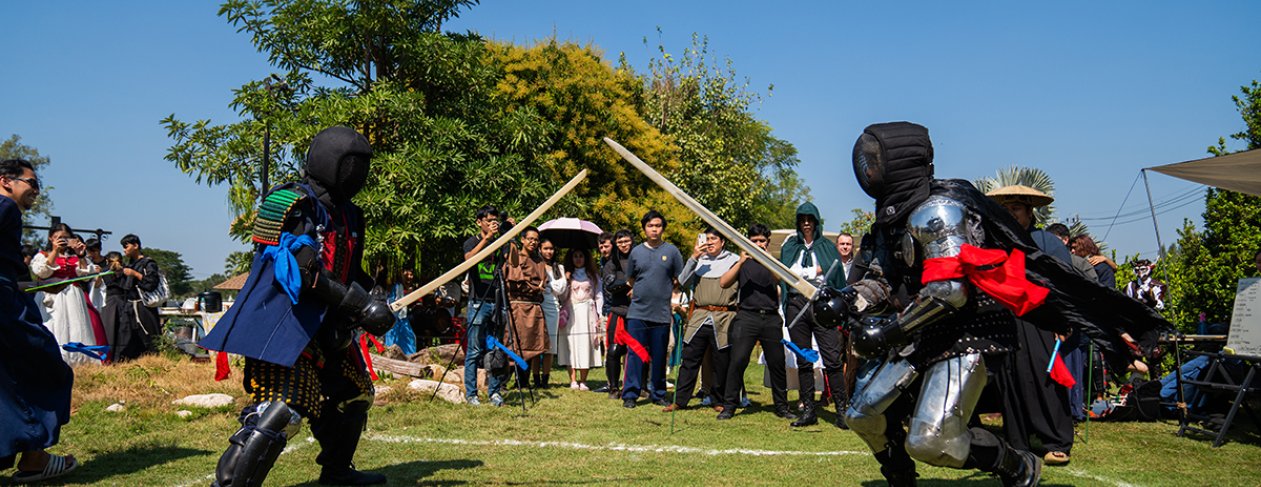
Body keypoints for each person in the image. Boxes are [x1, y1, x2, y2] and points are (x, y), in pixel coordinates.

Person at [200, 126, 395, 486]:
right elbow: (303, 268)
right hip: (287, 324)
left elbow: (353, 271)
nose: (357, 174)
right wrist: (360, 305)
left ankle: (336, 472)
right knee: (281, 413)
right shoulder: (288, 202)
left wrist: (376, 297)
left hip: (331, 327)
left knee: (355, 396)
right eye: (351, 164)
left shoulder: (352, 214)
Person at [987, 186, 1078, 466]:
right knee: (1010, 378)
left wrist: (1063, 320)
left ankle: (1056, 441)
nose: (1010, 214)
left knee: (1044, 376)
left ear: (1029, 212)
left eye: (1016, 209)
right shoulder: (996, 241)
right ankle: (1018, 440)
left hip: (1040, 319)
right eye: (1006, 209)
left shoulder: (1047, 242)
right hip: (1006, 318)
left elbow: (1064, 283)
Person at [0, 158, 78, 482]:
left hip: (9, 293)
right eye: (32, 183)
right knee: (48, 367)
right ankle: (35, 457)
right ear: (6, 180)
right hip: (4, 308)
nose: (36, 190)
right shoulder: (5, 208)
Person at [779, 202, 848, 427]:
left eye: (810, 219)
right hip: (797, 305)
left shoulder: (827, 247)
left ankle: (842, 410)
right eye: (802, 219)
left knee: (832, 359)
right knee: (804, 359)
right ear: (798, 223)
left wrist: (812, 271)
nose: (806, 223)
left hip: (821, 305)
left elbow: (834, 269)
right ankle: (808, 410)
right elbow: (786, 273)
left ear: (816, 222)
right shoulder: (790, 248)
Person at [718, 224, 796, 420]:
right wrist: (741, 261)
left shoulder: (773, 261)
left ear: (768, 243)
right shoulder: (742, 262)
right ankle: (729, 406)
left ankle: (782, 406)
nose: (758, 244)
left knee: (777, 363)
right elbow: (723, 282)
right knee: (738, 360)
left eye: (762, 241)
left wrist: (767, 258)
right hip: (747, 316)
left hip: (770, 317)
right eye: (754, 242)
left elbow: (780, 278)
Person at [664, 228, 738, 413]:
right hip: (699, 316)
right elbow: (681, 281)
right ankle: (680, 400)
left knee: (721, 361)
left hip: (724, 317)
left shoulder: (735, 261)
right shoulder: (699, 260)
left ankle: (717, 399)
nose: (710, 242)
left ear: (723, 242)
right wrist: (694, 257)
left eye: (714, 239)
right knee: (689, 360)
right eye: (708, 239)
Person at [622, 211, 684, 408]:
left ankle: (658, 393)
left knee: (659, 355)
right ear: (644, 229)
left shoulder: (672, 252)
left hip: (662, 314)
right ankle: (630, 394)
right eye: (650, 226)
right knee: (635, 353)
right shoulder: (636, 252)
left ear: (663, 228)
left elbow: (678, 280)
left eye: (658, 225)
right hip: (637, 313)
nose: (654, 229)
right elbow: (630, 280)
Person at [29, 224, 105, 367]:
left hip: (72, 296)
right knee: (51, 325)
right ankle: (50, 361)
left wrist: (81, 254)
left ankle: (80, 361)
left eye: (66, 238)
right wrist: (55, 251)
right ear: (51, 238)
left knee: (77, 326)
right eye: (58, 237)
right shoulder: (42, 255)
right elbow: (42, 272)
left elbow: (86, 277)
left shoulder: (75, 257)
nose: (62, 240)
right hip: (51, 296)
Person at [461, 206, 508, 406]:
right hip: (477, 301)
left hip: (497, 302)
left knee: (496, 349)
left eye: (495, 220)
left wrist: (509, 236)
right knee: (474, 350)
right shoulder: (472, 242)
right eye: (489, 220)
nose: (492, 223)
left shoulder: (501, 242)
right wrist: (487, 238)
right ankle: (471, 394)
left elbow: (512, 262)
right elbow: (469, 260)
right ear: (479, 222)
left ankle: (495, 392)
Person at [505, 226, 550, 390]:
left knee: (531, 346)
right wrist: (534, 287)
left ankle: (523, 381)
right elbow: (514, 279)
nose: (533, 242)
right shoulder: (516, 257)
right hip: (518, 306)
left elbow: (543, 281)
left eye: (536, 239)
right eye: (530, 238)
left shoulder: (539, 261)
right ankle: (505, 380)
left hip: (535, 307)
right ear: (522, 240)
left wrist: (538, 288)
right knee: (515, 345)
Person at [558, 248, 603, 389]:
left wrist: (600, 315)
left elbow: (599, 296)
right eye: (575, 256)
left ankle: (583, 380)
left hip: (588, 313)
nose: (578, 259)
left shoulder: (593, 276)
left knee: (586, 344)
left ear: (586, 258)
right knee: (570, 344)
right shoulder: (566, 274)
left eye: (581, 256)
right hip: (571, 311)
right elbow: (561, 295)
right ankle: (572, 380)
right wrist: (565, 280)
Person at [599, 230, 634, 398]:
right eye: (620, 242)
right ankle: (613, 388)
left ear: (632, 241)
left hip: (638, 312)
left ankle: (640, 387)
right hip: (618, 311)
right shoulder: (611, 263)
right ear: (616, 244)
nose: (624, 245)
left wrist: (637, 288)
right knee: (614, 350)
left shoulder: (639, 258)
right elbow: (610, 285)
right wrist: (628, 283)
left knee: (640, 350)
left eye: (626, 241)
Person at [119, 234, 162, 359]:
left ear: (136, 245)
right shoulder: (129, 264)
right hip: (129, 306)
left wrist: (135, 274)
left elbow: (151, 283)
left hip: (144, 306)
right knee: (127, 336)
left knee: (149, 337)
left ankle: (154, 360)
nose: (124, 250)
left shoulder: (148, 263)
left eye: (126, 246)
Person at [537, 238, 566, 388]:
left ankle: (545, 379)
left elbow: (561, 289)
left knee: (550, 346)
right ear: (540, 249)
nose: (549, 252)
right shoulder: (535, 264)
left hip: (553, 307)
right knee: (536, 345)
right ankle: (535, 378)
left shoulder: (558, 268)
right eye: (546, 248)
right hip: (537, 305)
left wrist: (548, 283)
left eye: (551, 249)